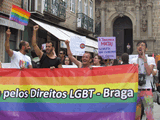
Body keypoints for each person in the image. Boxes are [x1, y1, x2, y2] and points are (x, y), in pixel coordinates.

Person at [130, 41, 155, 120]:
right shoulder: (133, 60)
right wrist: (133, 68)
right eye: (138, 45)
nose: (140, 47)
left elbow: (148, 72)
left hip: (146, 90)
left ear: (146, 49)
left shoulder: (150, 59)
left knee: (149, 115)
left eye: (142, 45)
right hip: (136, 91)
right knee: (137, 116)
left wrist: (144, 59)